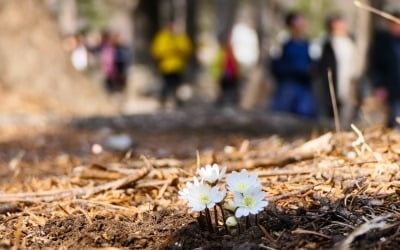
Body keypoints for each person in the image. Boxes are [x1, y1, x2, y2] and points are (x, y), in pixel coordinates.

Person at [270, 12, 316, 118]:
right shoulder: (283, 42)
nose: (302, 24)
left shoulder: (308, 43)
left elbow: (313, 62)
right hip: (287, 84)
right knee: (282, 115)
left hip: (304, 85)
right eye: (298, 22)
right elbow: (275, 63)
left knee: (305, 115)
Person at [315, 14, 358, 128]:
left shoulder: (351, 42)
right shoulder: (326, 44)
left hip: (349, 84)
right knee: (332, 114)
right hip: (331, 84)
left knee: (349, 113)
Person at [151, 21, 192, 108]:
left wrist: (178, 50)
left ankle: (176, 100)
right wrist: (170, 50)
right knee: (166, 84)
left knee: (177, 84)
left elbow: (187, 49)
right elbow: (157, 51)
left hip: (178, 66)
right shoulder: (162, 37)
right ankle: (163, 100)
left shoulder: (181, 37)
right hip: (166, 66)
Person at [369, 11, 400, 127]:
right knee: (395, 119)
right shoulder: (382, 42)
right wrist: (379, 85)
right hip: (392, 89)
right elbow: (376, 66)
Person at [211, 32, 240, 107]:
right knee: (225, 90)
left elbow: (235, 65)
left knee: (230, 90)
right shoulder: (222, 52)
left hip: (231, 75)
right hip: (225, 75)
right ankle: (222, 103)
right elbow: (217, 64)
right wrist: (217, 74)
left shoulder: (230, 52)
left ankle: (227, 103)